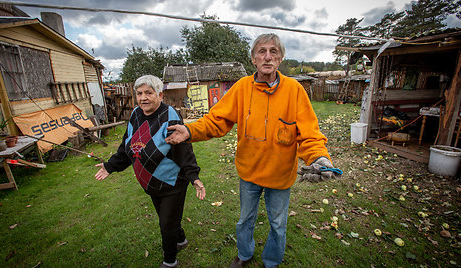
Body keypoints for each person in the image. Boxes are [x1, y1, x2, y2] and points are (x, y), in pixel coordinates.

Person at [165, 33, 339, 268]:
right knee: (245, 220)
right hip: (249, 173)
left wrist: (319, 157)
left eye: (273, 52)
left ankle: (272, 261)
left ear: (280, 58)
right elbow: (217, 120)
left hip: (280, 175)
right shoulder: (242, 88)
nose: (268, 56)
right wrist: (190, 131)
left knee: (278, 224)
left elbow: (309, 134)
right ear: (253, 59)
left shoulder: (294, 90)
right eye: (262, 51)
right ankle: (244, 255)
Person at [94, 74, 206, 268]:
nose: (143, 97)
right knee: (167, 217)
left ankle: (170, 261)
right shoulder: (136, 114)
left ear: (160, 95)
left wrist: (193, 176)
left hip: (172, 182)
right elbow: (127, 146)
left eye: (148, 92)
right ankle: (180, 240)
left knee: (166, 223)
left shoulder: (169, 116)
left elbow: (183, 149)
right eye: (139, 93)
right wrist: (110, 166)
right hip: (151, 183)